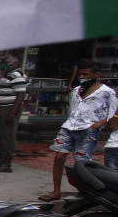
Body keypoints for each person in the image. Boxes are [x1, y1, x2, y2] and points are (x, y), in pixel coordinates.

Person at [41, 60, 117, 201]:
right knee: (58, 158)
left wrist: (98, 124)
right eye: (81, 74)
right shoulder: (77, 90)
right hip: (69, 127)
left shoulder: (107, 92)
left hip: (88, 129)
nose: (82, 76)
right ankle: (56, 191)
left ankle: (84, 192)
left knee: (80, 163)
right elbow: (73, 109)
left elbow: (113, 112)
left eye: (86, 74)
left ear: (96, 74)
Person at [0, 54, 28, 173]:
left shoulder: (17, 76)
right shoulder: (8, 75)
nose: (3, 65)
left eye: (6, 63)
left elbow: (20, 95)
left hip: (7, 109)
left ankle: (6, 163)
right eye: (2, 62)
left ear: (14, 64)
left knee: (6, 136)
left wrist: (12, 113)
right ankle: (0, 159)